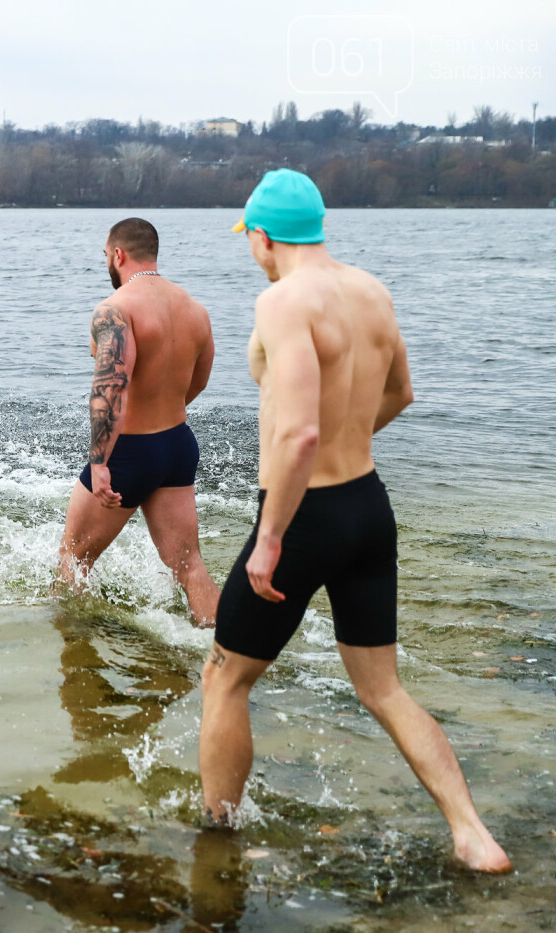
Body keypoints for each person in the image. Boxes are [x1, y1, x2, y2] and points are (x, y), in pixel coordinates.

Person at [199, 169, 510, 872]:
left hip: (303, 515)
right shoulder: (372, 291)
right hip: (368, 507)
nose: (250, 248)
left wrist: (271, 536)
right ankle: (473, 834)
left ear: (264, 235)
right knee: (383, 688)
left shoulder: (282, 301)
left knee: (225, 678)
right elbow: (401, 390)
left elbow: (299, 435)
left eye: (249, 236)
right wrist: (350, 441)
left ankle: (216, 840)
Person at [57, 218, 219, 628]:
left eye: (105, 256)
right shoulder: (194, 310)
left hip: (128, 451)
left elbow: (111, 386)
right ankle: (224, 652)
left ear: (118, 254)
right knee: (189, 566)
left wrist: (99, 463)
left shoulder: (115, 309)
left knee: (73, 559)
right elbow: (198, 381)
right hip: (177, 445)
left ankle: (77, 651)